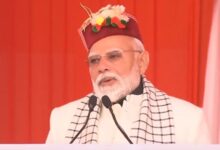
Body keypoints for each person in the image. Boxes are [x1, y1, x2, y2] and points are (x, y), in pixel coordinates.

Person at [46, 4, 210, 144]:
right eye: (94, 60)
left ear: (142, 61)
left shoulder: (188, 120)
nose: (102, 67)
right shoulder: (63, 120)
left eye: (114, 56)